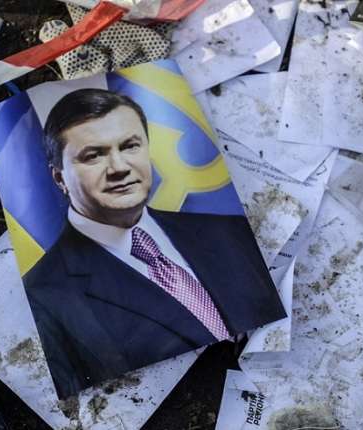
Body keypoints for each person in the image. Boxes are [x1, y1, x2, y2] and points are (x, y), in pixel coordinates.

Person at [24, 88, 286, 399]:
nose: (119, 167)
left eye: (130, 146)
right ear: (59, 178)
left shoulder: (229, 232)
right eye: (94, 155)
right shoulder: (45, 296)